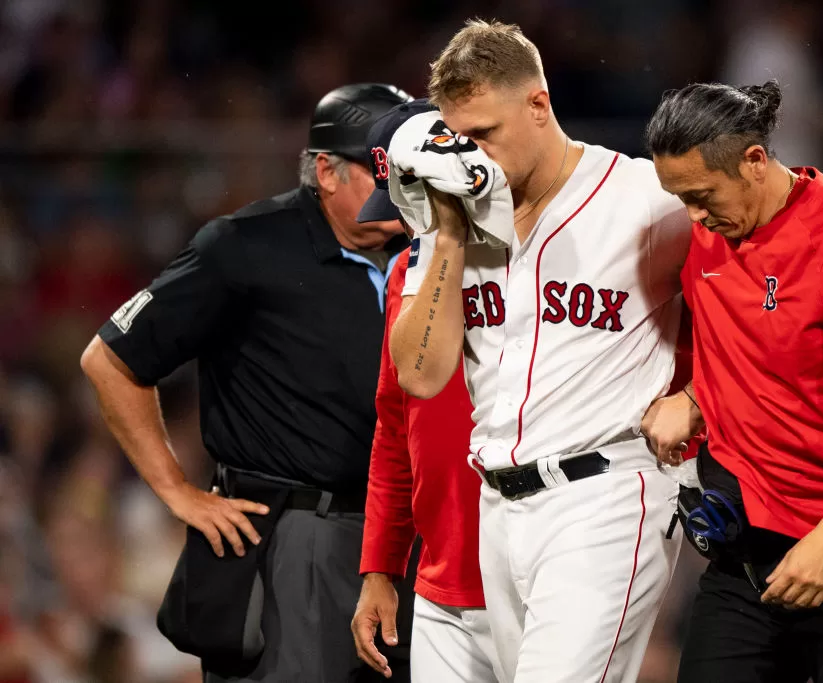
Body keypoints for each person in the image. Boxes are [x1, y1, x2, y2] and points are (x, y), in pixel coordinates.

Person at [79, 83, 420, 683]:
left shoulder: (432, 249)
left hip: (408, 537)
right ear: (327, 171)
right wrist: (176, 490)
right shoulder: (245, 246)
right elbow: (110, 360)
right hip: (296, 542)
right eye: (385, 172)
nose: (404, 190)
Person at [389, 20, 692, 683]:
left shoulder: (644, 200)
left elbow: (750, 284)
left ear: (538, 104)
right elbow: (418, 372)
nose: (474, 155)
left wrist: (698, 398)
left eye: (486, 135)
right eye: (459, 137)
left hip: (606, 496)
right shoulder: (452, 211)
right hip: (496, 510)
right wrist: (446, 238)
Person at [642, 80, 823, 683]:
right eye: (680, 199)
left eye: (701, 195)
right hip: (744, 554)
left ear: (754, 161)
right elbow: (755, 348)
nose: (692, 216)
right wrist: (696, 394)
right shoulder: (712, 231)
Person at [349, 98, 503, 683]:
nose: (405, 218)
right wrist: (381, 568)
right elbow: (396, 427)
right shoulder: (401, 275)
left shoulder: (533, 255)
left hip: (537, 565)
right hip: (442, 579)